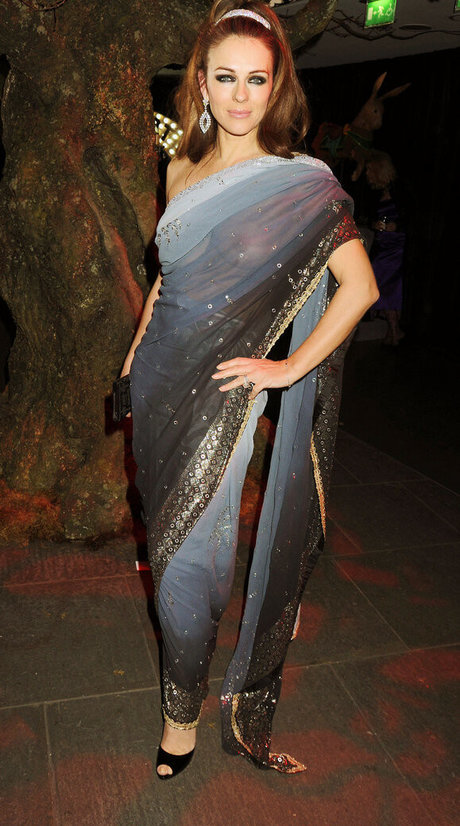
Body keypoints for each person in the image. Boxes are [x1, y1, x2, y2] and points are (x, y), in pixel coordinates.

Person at [121, 0, 379, 779]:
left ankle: (180, 718)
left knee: (191, 565)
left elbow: (361, 288)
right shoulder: (178, 168)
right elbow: (167, 280)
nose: (240, 95)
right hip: (157, 387)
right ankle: (180, 699)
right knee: (162, 546)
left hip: (227, 400)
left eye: (256, 80)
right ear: (200, 83)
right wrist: (130, 363)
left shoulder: (302, 184)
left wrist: (287, 369)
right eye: (225, 77)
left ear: (277, 87)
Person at [365, 151, 405, 345]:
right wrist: (374, 224)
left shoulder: (400, 190)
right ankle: (394, 331)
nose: (367, 173)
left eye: (370, 169)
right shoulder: (375, 192)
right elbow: (367, 216)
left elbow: (414, 217)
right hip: (382, 245)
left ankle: (395, 331)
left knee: (387, 287)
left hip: (396, 246)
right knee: (386, 287)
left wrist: (397, 225)